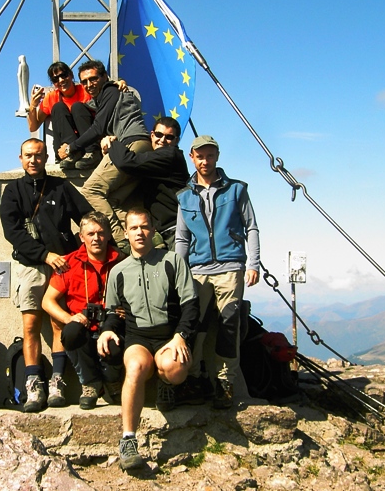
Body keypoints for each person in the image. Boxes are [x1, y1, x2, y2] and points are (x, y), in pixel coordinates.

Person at [97, 208, 199, 471]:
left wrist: (181, 336)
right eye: (134, 228)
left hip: (169, 336)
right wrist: (107, 329)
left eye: (144, 227)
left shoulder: (172, 261)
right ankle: (128, 440)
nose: (139, 233)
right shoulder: (119, 271)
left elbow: (191, 304)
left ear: (153, 230)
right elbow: (112, 311)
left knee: (175, 370)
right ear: (126, 233)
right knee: (135, 368)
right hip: (138, 338)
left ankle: (166, 382)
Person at [0, 138, 93, 412]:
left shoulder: (61, 187)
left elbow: (86, 214)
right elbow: (12, 233)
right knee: (30, 326)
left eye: (38, 155)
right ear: (20, 158)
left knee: (58, 325)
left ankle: (57, 382)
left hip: (62, 265)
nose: (33, 160)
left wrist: (79, 246)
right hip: (30, 265)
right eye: (28, 155)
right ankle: (33, 385)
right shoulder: (12, 191)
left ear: (46, 157)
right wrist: (44, 255)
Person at [175, 135, 260, 409]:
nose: (205, 160)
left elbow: (252, 227)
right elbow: (182, 239)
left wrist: (253, 264)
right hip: (197, 270)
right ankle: (195, 378)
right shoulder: (184, 196)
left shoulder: (236, 190)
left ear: (217, 156)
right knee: (193, 326)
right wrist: (180, 272)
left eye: (210, 155)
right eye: (200, 156)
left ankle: (225, 382)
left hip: (231, 267)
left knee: (229, 324)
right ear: (192, 157)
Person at [57, 60, 151, 251]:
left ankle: (121, 242)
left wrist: (70, 148)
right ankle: (151, 236)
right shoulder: (103, 97)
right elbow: (85, 108)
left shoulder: (111, 91)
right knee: (112, 201)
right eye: (84, 82)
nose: (89, 85)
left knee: (91, 191)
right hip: (139, 147)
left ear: (105, 77)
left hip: (131, 144)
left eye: (93, 79)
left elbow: (98, 127)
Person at [41, 211, 124, 410]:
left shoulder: (122, 262)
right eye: (91, 233)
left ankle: (111, 381)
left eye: (101, 233)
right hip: (83, 326)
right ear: (81, 237)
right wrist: (69, 318)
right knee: (70, 333)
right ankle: (90, 384)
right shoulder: (69, 263)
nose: (96, 238)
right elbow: (47, 301)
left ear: (109, 235)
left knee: (116, 342)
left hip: (112, 325)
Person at [107, 116, 189, 251]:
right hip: (163, 234)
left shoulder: (171, 155)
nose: (162, 140)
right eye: (158, 134)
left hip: (178, 232)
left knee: (181, 271)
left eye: (169, 137)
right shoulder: (155, 161)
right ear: (152, 135)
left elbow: (126, 162)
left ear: (176, 141)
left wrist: (112, 143)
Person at [26, 61, 100, 170]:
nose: (61, 80)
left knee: (77, 107)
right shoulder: (51, 97)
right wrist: (33, 105)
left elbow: (104, 86)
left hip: (88, 144)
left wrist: (119, 83)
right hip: (65, 149)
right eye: (56, 79)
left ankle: (92, 152)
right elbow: (33, 127)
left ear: (71, 75)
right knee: (58, 107)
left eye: (63, 75)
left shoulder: (86, 89)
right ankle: (72, 153)